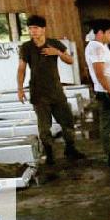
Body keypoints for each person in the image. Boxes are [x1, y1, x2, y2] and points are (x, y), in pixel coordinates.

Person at [17, 15, 85, 164]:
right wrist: (20, 89)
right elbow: (21, 69)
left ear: (43, 29)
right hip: (38, 93)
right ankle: (49, 154)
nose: (32, 31)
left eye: (35, 28)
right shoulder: (26, 47)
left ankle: (70, 148)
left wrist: (58, 53)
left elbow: (70, 60)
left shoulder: (54, 44)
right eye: (30, 28)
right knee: (44, 127)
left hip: (56, 91)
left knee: (67, 121)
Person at [84, 18, 110, 167]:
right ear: (100, 33)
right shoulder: (96, 47)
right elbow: (100, 75)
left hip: (109, 90)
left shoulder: (101, 46)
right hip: (107, 92)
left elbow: (107, 66)